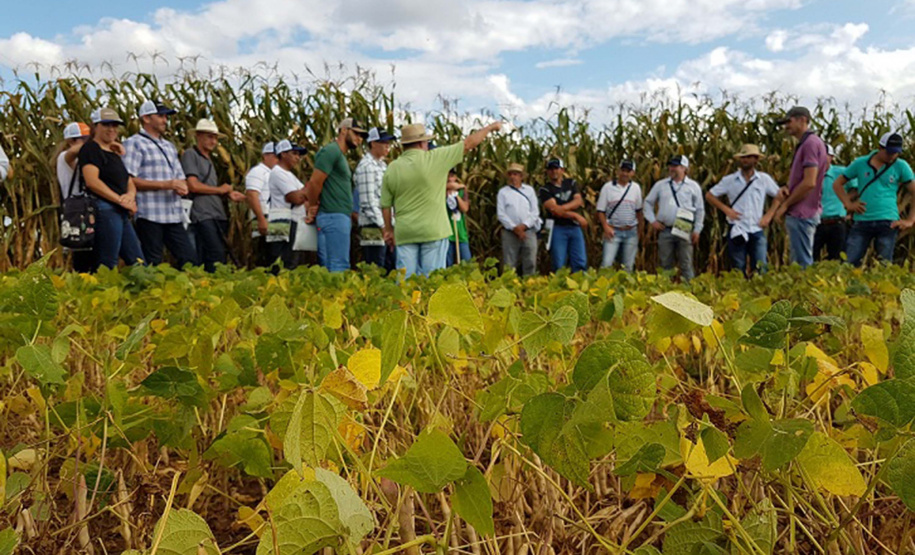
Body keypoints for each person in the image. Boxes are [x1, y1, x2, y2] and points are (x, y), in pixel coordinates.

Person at [381, 121, 502, 278]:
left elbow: (385, 205)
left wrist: (389, 230)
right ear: (422, 143)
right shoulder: (436, 158)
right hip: (433, 231)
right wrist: (490, 128)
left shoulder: (392, 168)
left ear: (404, 145)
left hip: (405, 232)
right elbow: (468, 144)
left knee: (405, 280)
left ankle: (409, 302)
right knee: (432, 279)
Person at [123, 99, 196, 268]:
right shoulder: (134, 143)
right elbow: (128, 179)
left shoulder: (169, 146)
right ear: (146, 118)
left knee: (189, 259)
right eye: (161, 116)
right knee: (152, 260)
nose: (165, 120)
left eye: (166, 117)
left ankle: (187, 291)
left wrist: (182, 186)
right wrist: (166, 185)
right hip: (149, 213)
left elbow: (180, 177)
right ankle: (152, 292)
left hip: (174, 213)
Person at [830, 132, 915, 266]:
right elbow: (837, 184)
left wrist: (910, 220)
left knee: (884, 264)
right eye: (889, 152)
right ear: (880, 148)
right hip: (862, 220)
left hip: (888, 221)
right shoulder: (860, 163)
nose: (892, 156)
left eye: (896, 153)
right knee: (850, 262)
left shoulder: (901, 166)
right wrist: (848, 204)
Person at [78, 107, 144, 270]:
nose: (111, 129)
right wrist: (120, 200)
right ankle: (102, 293)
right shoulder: (90, 149)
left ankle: (145, 288)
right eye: (106, 125)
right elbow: (92, 181)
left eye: (115, 125)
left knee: (138, 260)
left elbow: (128, 180)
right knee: (108, 260)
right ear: (95, 127)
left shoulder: (114, 152)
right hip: (104, 208)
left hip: (120, 209)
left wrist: (130, 196)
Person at [705, 145, 782, 276]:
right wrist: (726, 210)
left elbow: (779, 196)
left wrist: (769, 215)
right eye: (743, 157)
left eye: (748, 157)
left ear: (756, 160)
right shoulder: (729, 180)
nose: (744, 160)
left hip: (756, 228)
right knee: (738, 268)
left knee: (761, 267)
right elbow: (709, 195)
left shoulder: (763, 179)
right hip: (737, 229)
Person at [181, 119, 247, 272]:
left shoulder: (210, 160)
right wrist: (220, 190)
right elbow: (193, 185)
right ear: (198, 136)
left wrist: (229, 193)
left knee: (218, 254)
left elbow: (208, 188)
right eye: (209, 136)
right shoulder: (191, 155)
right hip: (202, 214)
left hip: (216, 213)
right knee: (214, 254)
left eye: (215, 137)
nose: (213, 141)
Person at [305, 117, 367, 273]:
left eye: (362, 136)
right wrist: (312, 206)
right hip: (334, 215)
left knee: (330, 266)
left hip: (335, 215)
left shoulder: (339, 155)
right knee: (339, 265)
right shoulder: (331, 151)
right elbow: (314, 183)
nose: (359, 139)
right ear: (344, 130)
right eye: (356, 134)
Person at [773, 106, 829, 268]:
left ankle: (805, 293)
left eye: (789, 122)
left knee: (801, 264)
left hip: (802, 213)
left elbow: (809, 182)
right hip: (804, 212)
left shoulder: (810, 144)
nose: (786, 126)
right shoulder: (809, 143)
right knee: (799, 261)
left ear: (802, 120)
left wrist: (785, 205)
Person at [644, 155, 704, 281]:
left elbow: (699, 209)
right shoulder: (660, 185)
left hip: (685, 228)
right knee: (665, 264)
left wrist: (697, 230)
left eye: (675, 166)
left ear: (684, 168)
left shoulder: (693, 186)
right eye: (671, 166)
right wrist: (653, 221)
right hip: (665, 229)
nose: (671, 168)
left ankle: (689, 291)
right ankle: (666, 292)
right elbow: (648, 202)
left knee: (686, 264)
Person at [54, 122, 94, 272]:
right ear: (70, 141)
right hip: (77, 212)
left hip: (85, 211)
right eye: (83, 139)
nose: (87, 143)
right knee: (81, 254)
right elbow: (74, 152)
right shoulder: (64, 157)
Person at [354, 127, 396, 270]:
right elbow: (368, 202)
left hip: (386, 226)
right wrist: (384, 226)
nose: (387, 146)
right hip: (373, 227)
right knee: (376, 269)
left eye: (388, 143)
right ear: (372, 144)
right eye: (383, 143)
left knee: (389, 267)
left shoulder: (382, 165)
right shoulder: (366, 166)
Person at [539, 158, 588, 272]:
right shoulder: (544, 189)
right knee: (558, 261)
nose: (553, 171)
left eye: (556, 168)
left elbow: (578, 201)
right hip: (556, 228)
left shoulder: (571, 183)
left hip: (575, 227)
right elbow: (554, 210)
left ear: (562, 170)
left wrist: (561, 208)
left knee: (580, 260)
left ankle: (579, 284)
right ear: (547, 172)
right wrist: (576, 216)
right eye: (550, 169)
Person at [267, 139, 308, 269]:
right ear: (283, 154)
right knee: (282, 263)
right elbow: (295, 198)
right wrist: (306, 192)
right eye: (294, 153)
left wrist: (304, 194)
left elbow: (307, 197)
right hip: (282, 221)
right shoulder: (277, 172)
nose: (298, 158)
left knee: (291, 262)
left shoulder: (289, 175)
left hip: (291, 221)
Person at [596, 159, 643, 272]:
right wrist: (606, 227)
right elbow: (600, 211)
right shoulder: (608, 188)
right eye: (623, 170)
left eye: (628, 171)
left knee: (628, 266)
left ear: (633, 173)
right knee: (607, 264)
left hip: (631, 232)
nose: (625, 174)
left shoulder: (636, 188)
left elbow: (639, 211)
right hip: (613, 232)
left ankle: (625, 288)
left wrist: (639, 232)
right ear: (618, 171)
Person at [497, 163, 541, 276]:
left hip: (529, 231)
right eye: (511, 174)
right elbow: (501, 214)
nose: (513, 177)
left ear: (521, 176)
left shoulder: (529, 191)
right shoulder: (503, 192)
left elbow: (535, 211)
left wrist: (524, 226)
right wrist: (514, 228)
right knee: (509, 262)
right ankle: (509, 286)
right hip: (509, 232)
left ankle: (529, 285)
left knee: (530, 261)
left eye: (516, 174)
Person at [814, 144, 854, 261]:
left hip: (837, 222)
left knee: (837, 259)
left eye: (824, 155)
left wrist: (846, 201)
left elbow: (858, 188)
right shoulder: (811, 175)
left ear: (831, 157)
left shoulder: (841, 172)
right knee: (811, 258)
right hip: (816, 222)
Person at [245, 142, 278, 266]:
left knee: (274, 258)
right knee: (266, 258)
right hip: (265, 219)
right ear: (265, 156)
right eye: (275, 156)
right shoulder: (258, 172)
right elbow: (252, 194)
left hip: (274, 221)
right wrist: (261, 219)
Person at [446, 170, 471, 266]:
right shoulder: (441, 191)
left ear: (456, 177)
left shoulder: (462, 191)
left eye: (452, 176)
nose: (450, 178)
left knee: (466, 261)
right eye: (448, 176)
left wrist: (456, 196)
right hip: (447, 234)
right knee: (448, 263)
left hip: (461, 233)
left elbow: (465, 208)